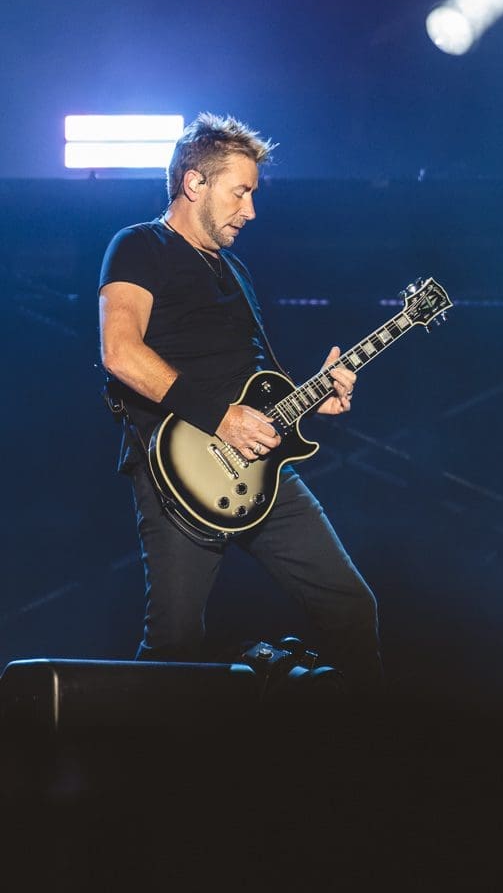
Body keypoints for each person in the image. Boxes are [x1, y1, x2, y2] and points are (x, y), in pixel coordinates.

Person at [97, 112, 383, 691]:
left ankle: (362, 761)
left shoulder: (237, 272)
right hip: (180, 467)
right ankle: (132, 777)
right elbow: (120, 352)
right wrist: (220, 417)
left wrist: (315, 395)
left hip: (261, 473)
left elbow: (259, 387)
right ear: (194, 183)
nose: (250, 211)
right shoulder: (139, 246)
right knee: (175, 644)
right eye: (241, 192)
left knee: (352, 607)